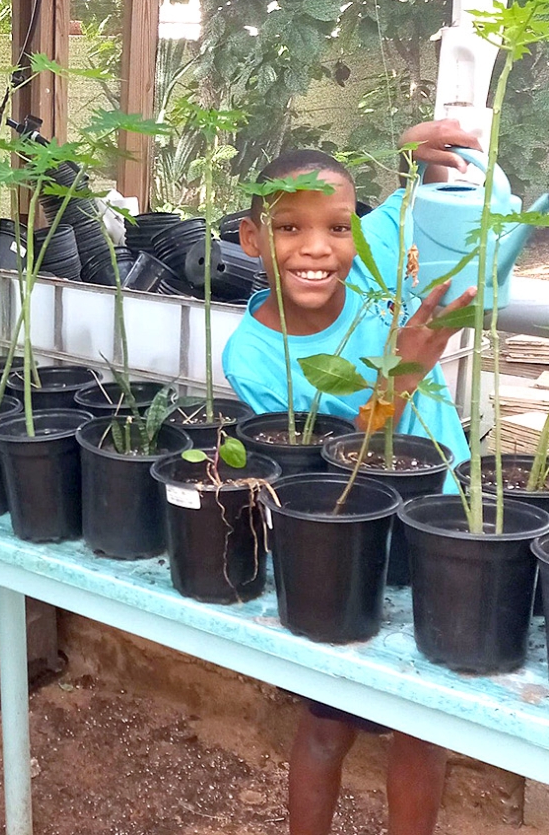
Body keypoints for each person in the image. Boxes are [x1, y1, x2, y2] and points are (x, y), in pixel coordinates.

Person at [221, 120, 481, 835]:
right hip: (351, 550)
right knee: (328, 725)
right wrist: (402, 374)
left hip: (442, 521)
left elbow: (430, 209)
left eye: (338, 227)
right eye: (289, 227)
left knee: (421, 729)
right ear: (250, 240)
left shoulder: (373, 264)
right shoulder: (253, 356)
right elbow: (330, 478)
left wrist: (432, 162)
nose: (317, 248)